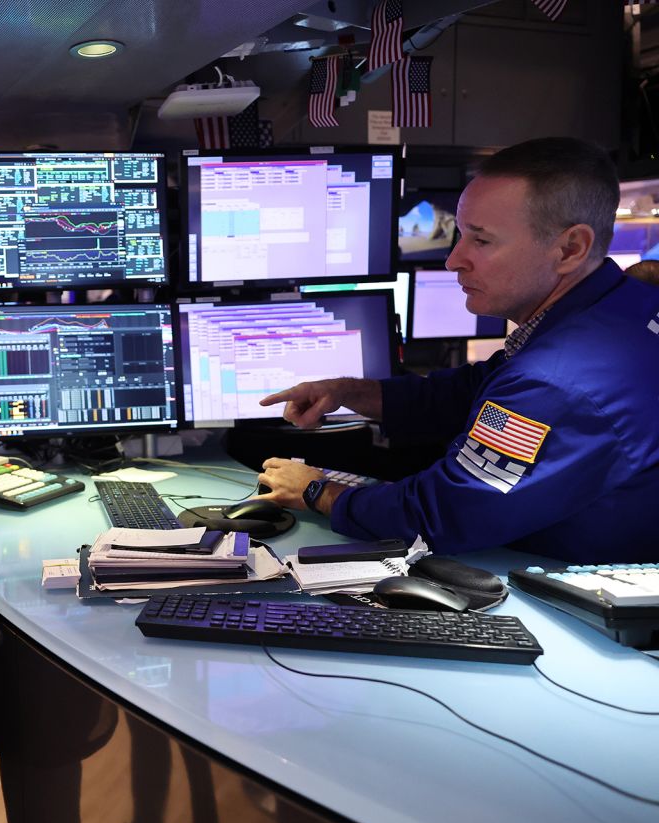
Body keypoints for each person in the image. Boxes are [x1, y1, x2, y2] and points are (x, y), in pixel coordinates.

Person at [257, 137, 659, 562]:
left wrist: (317, 490)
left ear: (569, 248)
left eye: (481, 241)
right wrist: (347, 392)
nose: (453, 260)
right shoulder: (625, 307)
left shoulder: (556, 383)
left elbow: (439, 515)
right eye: (460, 235)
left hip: (572, 602)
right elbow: (472, 388)